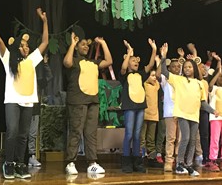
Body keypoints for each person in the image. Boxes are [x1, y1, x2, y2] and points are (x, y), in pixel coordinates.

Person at [0, 6, 49, 180]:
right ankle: (8, 163)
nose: (26, 48)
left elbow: (45, 42)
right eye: (23, 45)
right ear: (17, 46)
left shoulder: (32, 60)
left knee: (23, 135)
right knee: (12, 132)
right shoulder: (8, 59)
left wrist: (45, 22)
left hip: (29, 101)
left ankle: (19, 164)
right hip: (12, 100)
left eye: (27, 46)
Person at [160, 43, 217, 176]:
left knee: (192, 140)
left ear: (194, 68)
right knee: (184, 138)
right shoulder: (178, 79)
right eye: (185, 67)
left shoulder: (199, 83)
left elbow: (203, 103)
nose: (187, 69)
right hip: (182, 114)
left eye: (190, 67)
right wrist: (163, 57)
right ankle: (179, 163)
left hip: (194, 115)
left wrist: (213, 111)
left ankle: (189, 164)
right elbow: (164, 72)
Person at [63, 26, 112, 175]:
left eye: (87, 45)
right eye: (82, 44)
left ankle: (92, 162)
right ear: (77, 46)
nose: (86, 46)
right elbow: (67, 62)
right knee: (76, 131)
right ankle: (70, 162)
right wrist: (72, 44)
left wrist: (103, 43)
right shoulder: (75, 61)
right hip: (78, 100)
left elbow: (109, 61)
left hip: (93, 101)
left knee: (91, 132)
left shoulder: (93, 63)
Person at [119, 39, 157, 173]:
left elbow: (151, 64)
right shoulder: (124, 75)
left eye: (136, 60)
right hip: (129, 106)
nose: (135, 62)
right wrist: (129, 52)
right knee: (129, 134)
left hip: (140, 106)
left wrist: (154, 49)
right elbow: (123, 68)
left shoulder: (141, 74)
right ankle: (126, 161)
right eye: (132, 60)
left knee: (137, 135)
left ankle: (137, 161)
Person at [28, 53, 53, 167]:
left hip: (35, 110)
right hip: (22, 108)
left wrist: (45, 64)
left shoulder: (38, 81)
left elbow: (49, 77)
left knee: (32, 134)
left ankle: (31, 156)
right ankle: (18, 158)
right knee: (21, 134)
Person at [157, 56, 182, 172]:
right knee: (171, 138)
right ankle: (168, 161)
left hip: (182, 112)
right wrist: (162, 58)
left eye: (178, 66)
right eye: (173, 66)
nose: (176, 68)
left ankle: (179, 160)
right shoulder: (165, 79)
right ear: (169, 68)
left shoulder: (182, 79)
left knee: (180, 138)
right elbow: (159, 73)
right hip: (170, 112)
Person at [139, 67, 161, 167]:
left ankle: (152, 157)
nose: (154, 78)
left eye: (155, 76)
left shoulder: (156, 86)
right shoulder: (144, 85)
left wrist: (158, 62)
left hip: (154, 116)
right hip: (144, 115)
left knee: (151, 138)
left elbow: (159, 74)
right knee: (142, 137)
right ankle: (142, 156)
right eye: (152, 75)